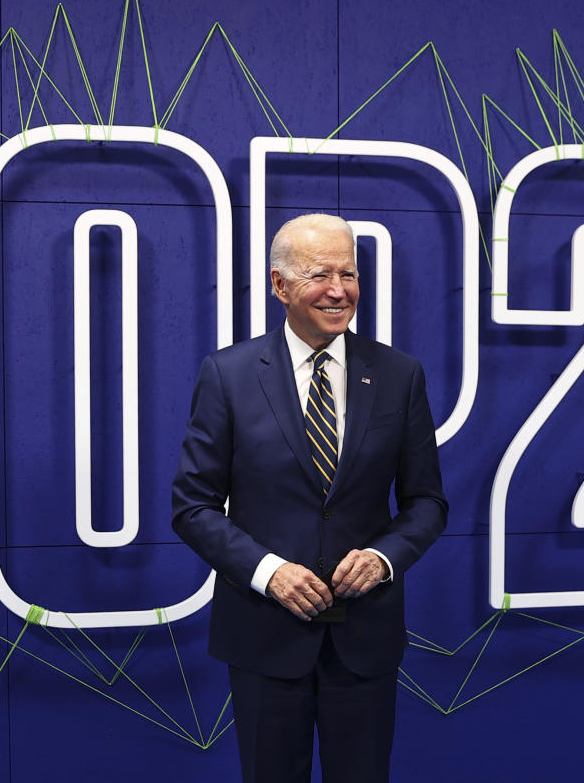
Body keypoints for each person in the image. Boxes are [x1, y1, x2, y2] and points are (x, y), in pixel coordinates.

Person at [171, 212, 448, 782]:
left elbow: (427, 502)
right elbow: (192, 506)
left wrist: (383, 557)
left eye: (349, 273)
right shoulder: (228, 375)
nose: (339, 290)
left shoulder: (400, 375)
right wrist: (269, 571)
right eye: (321, 274)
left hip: (365, 642)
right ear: (280, 286)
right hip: (265, 637)